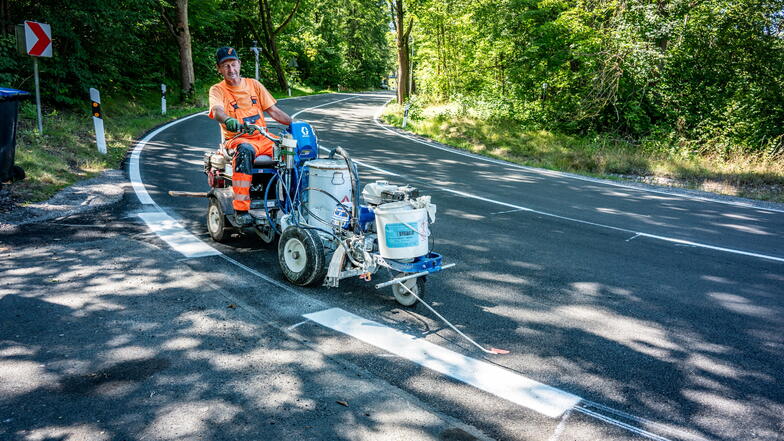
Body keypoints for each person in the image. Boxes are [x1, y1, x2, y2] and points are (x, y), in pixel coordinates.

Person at [209, 46, 293, 226]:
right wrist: (229, 120)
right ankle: (241, 209)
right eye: (226, 66)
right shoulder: (217, 90)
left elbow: (274, 111)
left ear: (239, 64)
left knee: (292, 152)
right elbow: (217, 111)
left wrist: (295, 125)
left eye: (233, 64)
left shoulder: (254, 85)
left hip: (264, 138)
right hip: (237, 140)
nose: (231, 69)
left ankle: (293, 202)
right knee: (245, 151)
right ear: (219, 69)